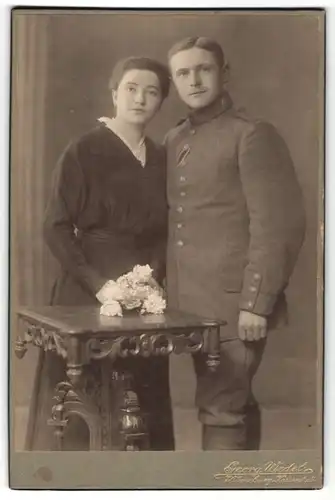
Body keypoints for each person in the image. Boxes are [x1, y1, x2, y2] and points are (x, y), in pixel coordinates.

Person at [26, 56, 175, 451]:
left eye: (152, 91)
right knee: (79, 404)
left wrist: (151, 279)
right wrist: (99, 286)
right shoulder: (84, 150)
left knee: (142, 405)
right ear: (114, 94)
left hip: (145, 293)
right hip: (87, 289)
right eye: (131, 88)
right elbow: (54, 226)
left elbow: (167, 229)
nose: (140, 98)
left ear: (161, 102)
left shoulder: (161, 157)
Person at [164, 36, 306, 450]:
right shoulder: (176, 140)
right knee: (229, 400)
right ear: (174, 83)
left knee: (222, 407)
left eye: (204, 69)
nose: (194, 80)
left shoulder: (252, 134)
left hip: (234, 305)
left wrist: (255, 303)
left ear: (224, 74)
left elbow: (278, 224)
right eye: (183, 73)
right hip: (192, 305)